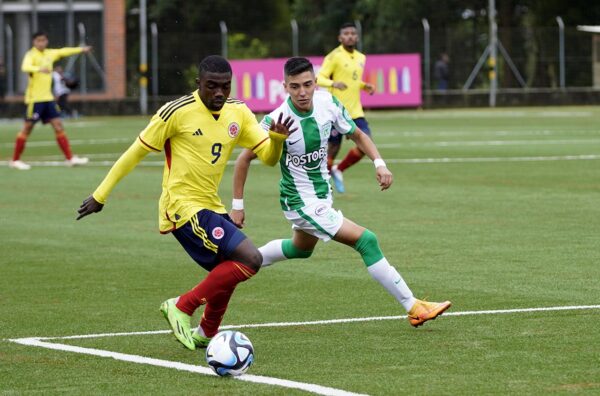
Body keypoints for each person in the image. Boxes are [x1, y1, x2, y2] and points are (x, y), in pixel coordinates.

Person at [77, 55, 296, 350]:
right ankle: (181, 306)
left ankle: (206, 333)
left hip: (211, 205)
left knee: (229, 268)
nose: (219, 93)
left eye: (225, 86)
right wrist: (100, 195)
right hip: (181, 206)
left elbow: (269, 159)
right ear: (198, 84)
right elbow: (133, 153)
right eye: (211, 86)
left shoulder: (239, 112)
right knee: (251, 258)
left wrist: (277, 140)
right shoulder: (175, 112)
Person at [232, 57, 451, 328]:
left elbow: (357, 135)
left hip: (321, 195)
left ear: (315, 83)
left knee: (300, 249)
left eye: (308, 85)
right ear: (285, 87)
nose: (302, 92)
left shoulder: (328, 103)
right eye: (295, 86)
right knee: (366, 240)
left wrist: (379, 164)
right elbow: (243, 160)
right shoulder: (276, 120)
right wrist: (238, 205)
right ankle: (414, 306)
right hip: (301, 201)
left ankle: (231, 266)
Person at [9, 31, 91, 170]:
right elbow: (25, 67)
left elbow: (64, 51)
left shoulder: (49, 54)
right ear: (34, 42)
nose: (41, 43)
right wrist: (39, 69)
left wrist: (81, 49)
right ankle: (15, 160)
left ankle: (69, 158)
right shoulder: (31, 55)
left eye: (43, 40)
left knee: (58, 125)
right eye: (38, 40)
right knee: (27, 128)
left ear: (46, 41)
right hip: (35, 100)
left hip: (48, 98)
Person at [317, 22, 375, 193]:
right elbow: (319, 78)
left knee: (366, 143)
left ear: (357, 37)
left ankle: (338, 169)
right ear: (340, 37)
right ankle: (323, 185)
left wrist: (364, 86)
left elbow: (353, 80)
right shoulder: (333, 56)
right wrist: (333, 83)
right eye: (346, 33)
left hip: (356, 111)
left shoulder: (361, 57)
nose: (350, 36)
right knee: (332, 150)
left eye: (352, 33)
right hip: (335, 111)